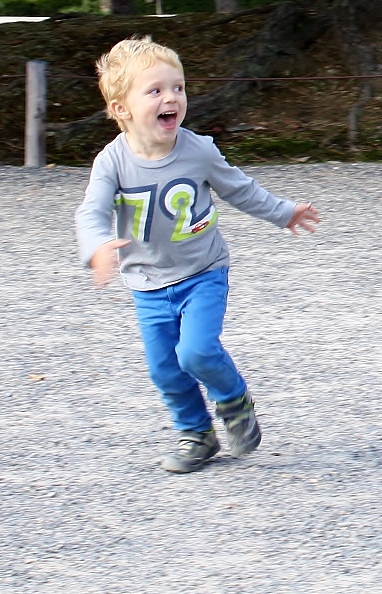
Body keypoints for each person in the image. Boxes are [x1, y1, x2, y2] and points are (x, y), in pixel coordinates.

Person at [74, 37, 320, 474]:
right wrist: (96, 248)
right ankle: (196, 434)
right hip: (147, 284)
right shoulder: (112, 162)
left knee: (197, 353)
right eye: (155, 91)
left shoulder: (198, 150)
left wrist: (284, 213)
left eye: (179, 87)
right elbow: (91, 211)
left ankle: (234, 401)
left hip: (202, 272)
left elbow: (239, 189)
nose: (171, 97)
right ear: (121, 109)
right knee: (166, 370)